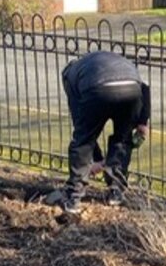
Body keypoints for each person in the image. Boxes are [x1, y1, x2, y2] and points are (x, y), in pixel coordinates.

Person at [61, 51, 150, 214]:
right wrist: (143, 122)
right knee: (122, 140)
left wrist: (96, 160)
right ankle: (116, 191)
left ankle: (74, 196)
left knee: (82, 142)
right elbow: (144, 88)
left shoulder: (71, 77)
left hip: (98, 89)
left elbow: (81, 128)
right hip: (132, 89)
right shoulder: (103, 61)